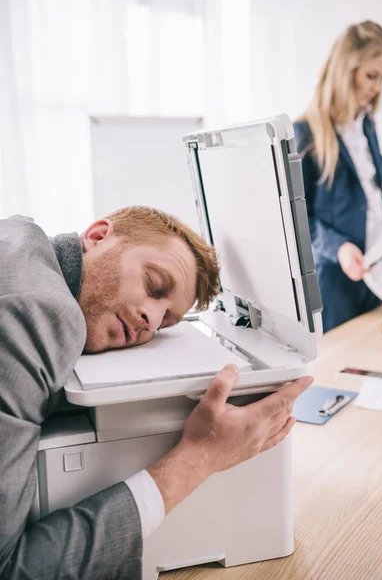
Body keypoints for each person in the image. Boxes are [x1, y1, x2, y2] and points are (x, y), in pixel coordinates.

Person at [0, 208, 313, 580]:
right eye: (153, 284)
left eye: (166, 321)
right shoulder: (41, 312)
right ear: (98, 235)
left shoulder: (20, 241)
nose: (151, 319)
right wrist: (199, 458)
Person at [294, 20, 382, 333]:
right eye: (371, 75)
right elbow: (299, 219)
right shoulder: (307, 135)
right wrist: (339, 247)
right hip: (336, 280)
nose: (377, 86)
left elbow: (375, 173)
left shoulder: (365, 125)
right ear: (346, 71)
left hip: (374, 270)